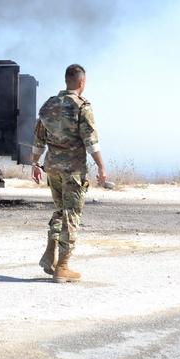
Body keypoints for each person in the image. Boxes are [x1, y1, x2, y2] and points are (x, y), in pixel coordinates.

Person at [30, 63, 107, 283]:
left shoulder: (48, 105)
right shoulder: (82, 107)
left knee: (59, 210)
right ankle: (62, 267)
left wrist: (34, 164)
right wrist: (101, 167)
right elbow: (91, 142)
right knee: (71, 215)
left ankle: (49, 255)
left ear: (66, 81)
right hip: (73, 170)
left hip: (52, 168)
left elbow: (38, 140)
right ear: (82, 82)